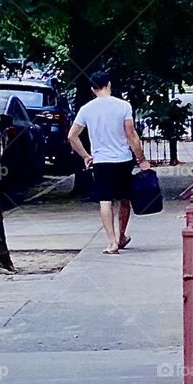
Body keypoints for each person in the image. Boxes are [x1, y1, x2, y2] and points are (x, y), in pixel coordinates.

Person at [67, 71, 152, 254]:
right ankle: (122, 235)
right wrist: (141, 159)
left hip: (101, 161)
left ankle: (112, 242)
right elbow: (131, 135)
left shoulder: (86, 109)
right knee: (124, 198)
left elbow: (72, 136)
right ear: (109, 85)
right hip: (123, 159)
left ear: (92, 89)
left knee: (104, 200)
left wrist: (85, 156)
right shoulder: (123, 106)